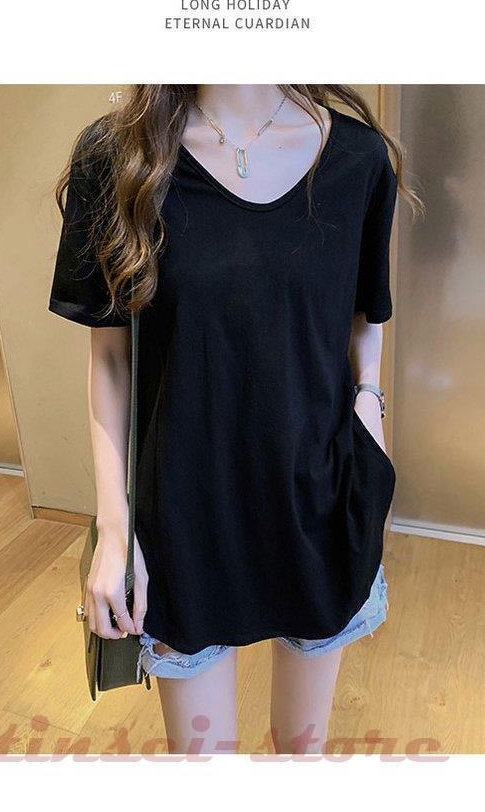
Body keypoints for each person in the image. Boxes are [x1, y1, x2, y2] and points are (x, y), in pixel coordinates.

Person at [49, 84, 420, 754]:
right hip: (185, 520)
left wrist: (370, 413)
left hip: (319, 504)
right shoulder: (120, 158)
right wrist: (114, 530)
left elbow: (365, 313)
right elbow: (110, 357)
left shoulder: (357, 159)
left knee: (301, 749)